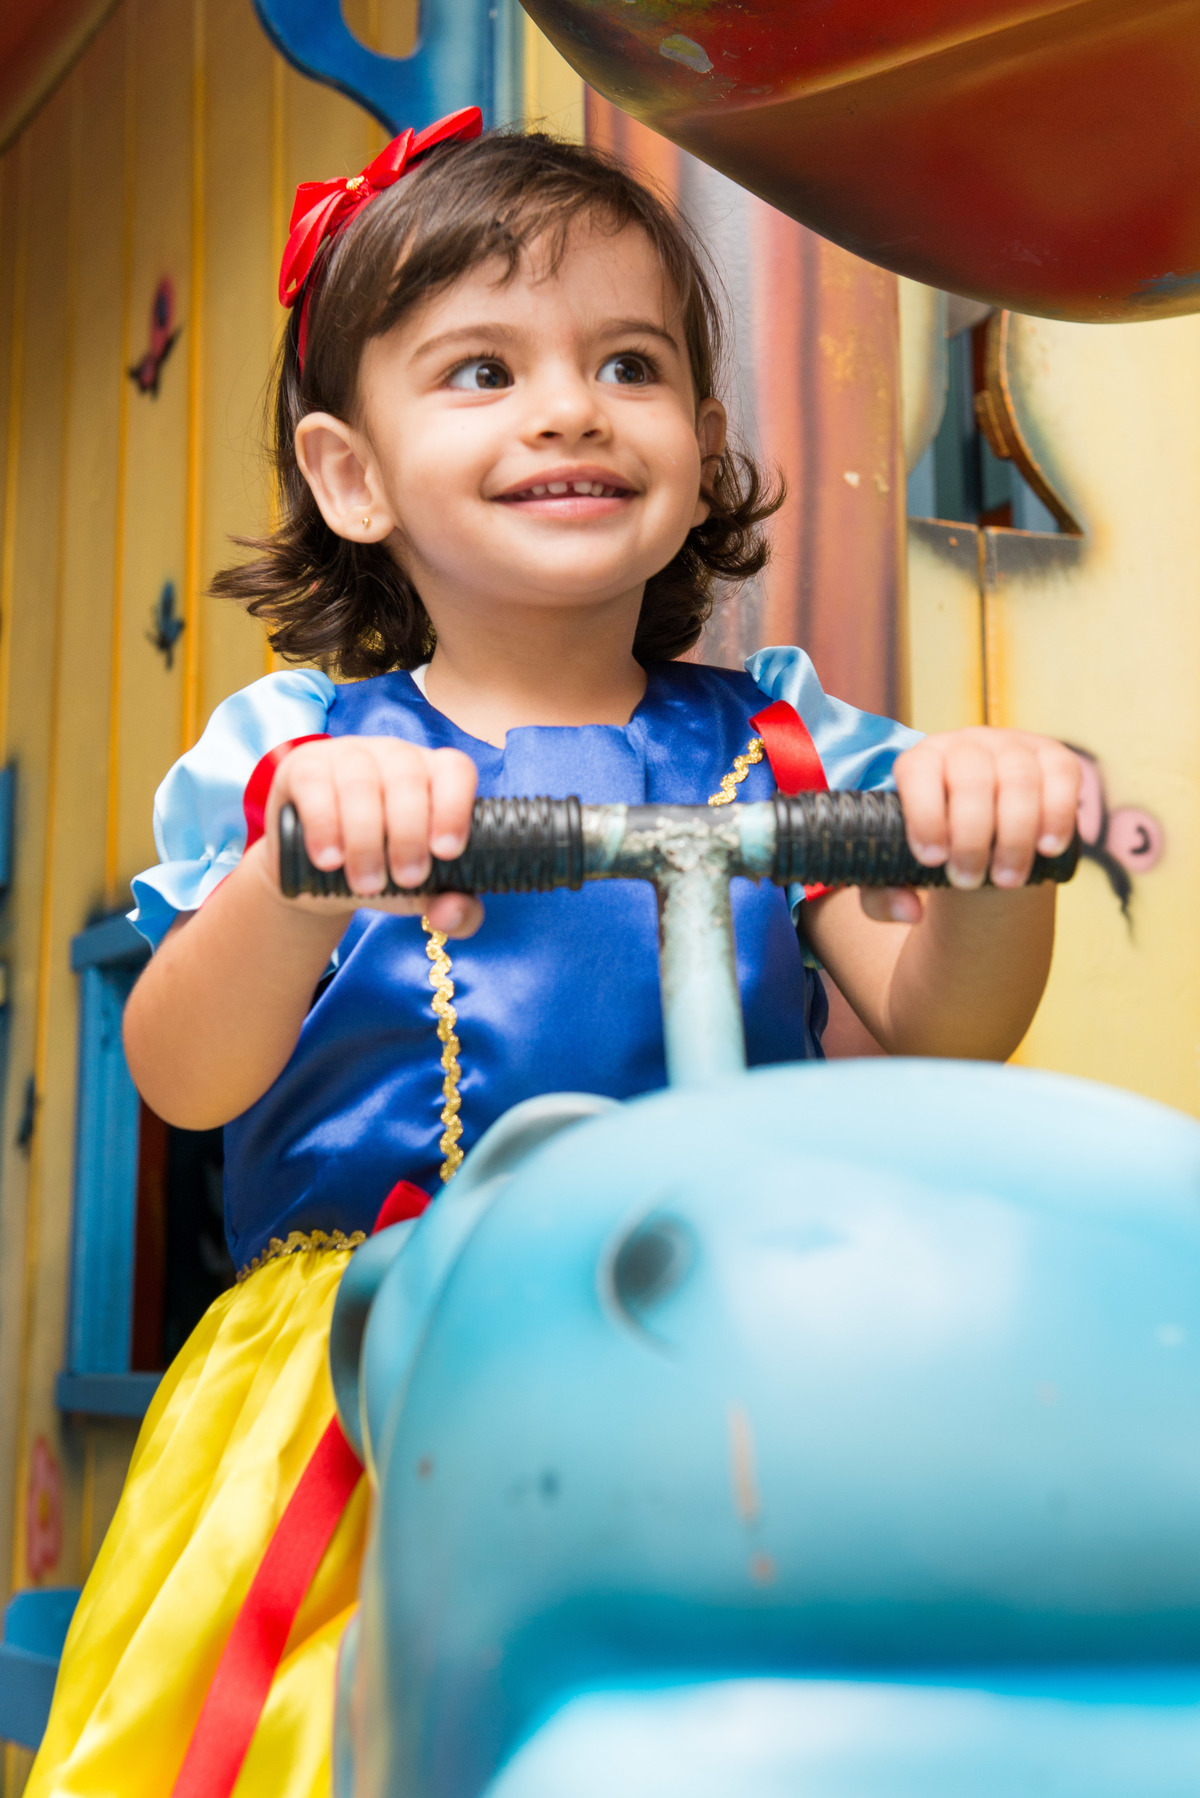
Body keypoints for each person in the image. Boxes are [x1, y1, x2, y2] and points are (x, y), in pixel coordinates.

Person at [29, 110, 1080, 1798]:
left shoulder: (781, 744)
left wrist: (993, 859)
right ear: (350, 475)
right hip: (381, 1372)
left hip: (722, 1346)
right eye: (482, 371)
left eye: (629, 364)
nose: (570, 408)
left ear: (703, 447)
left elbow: (941, 1027)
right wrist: (298, 876)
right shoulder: (297, 752)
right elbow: (185, 1074)